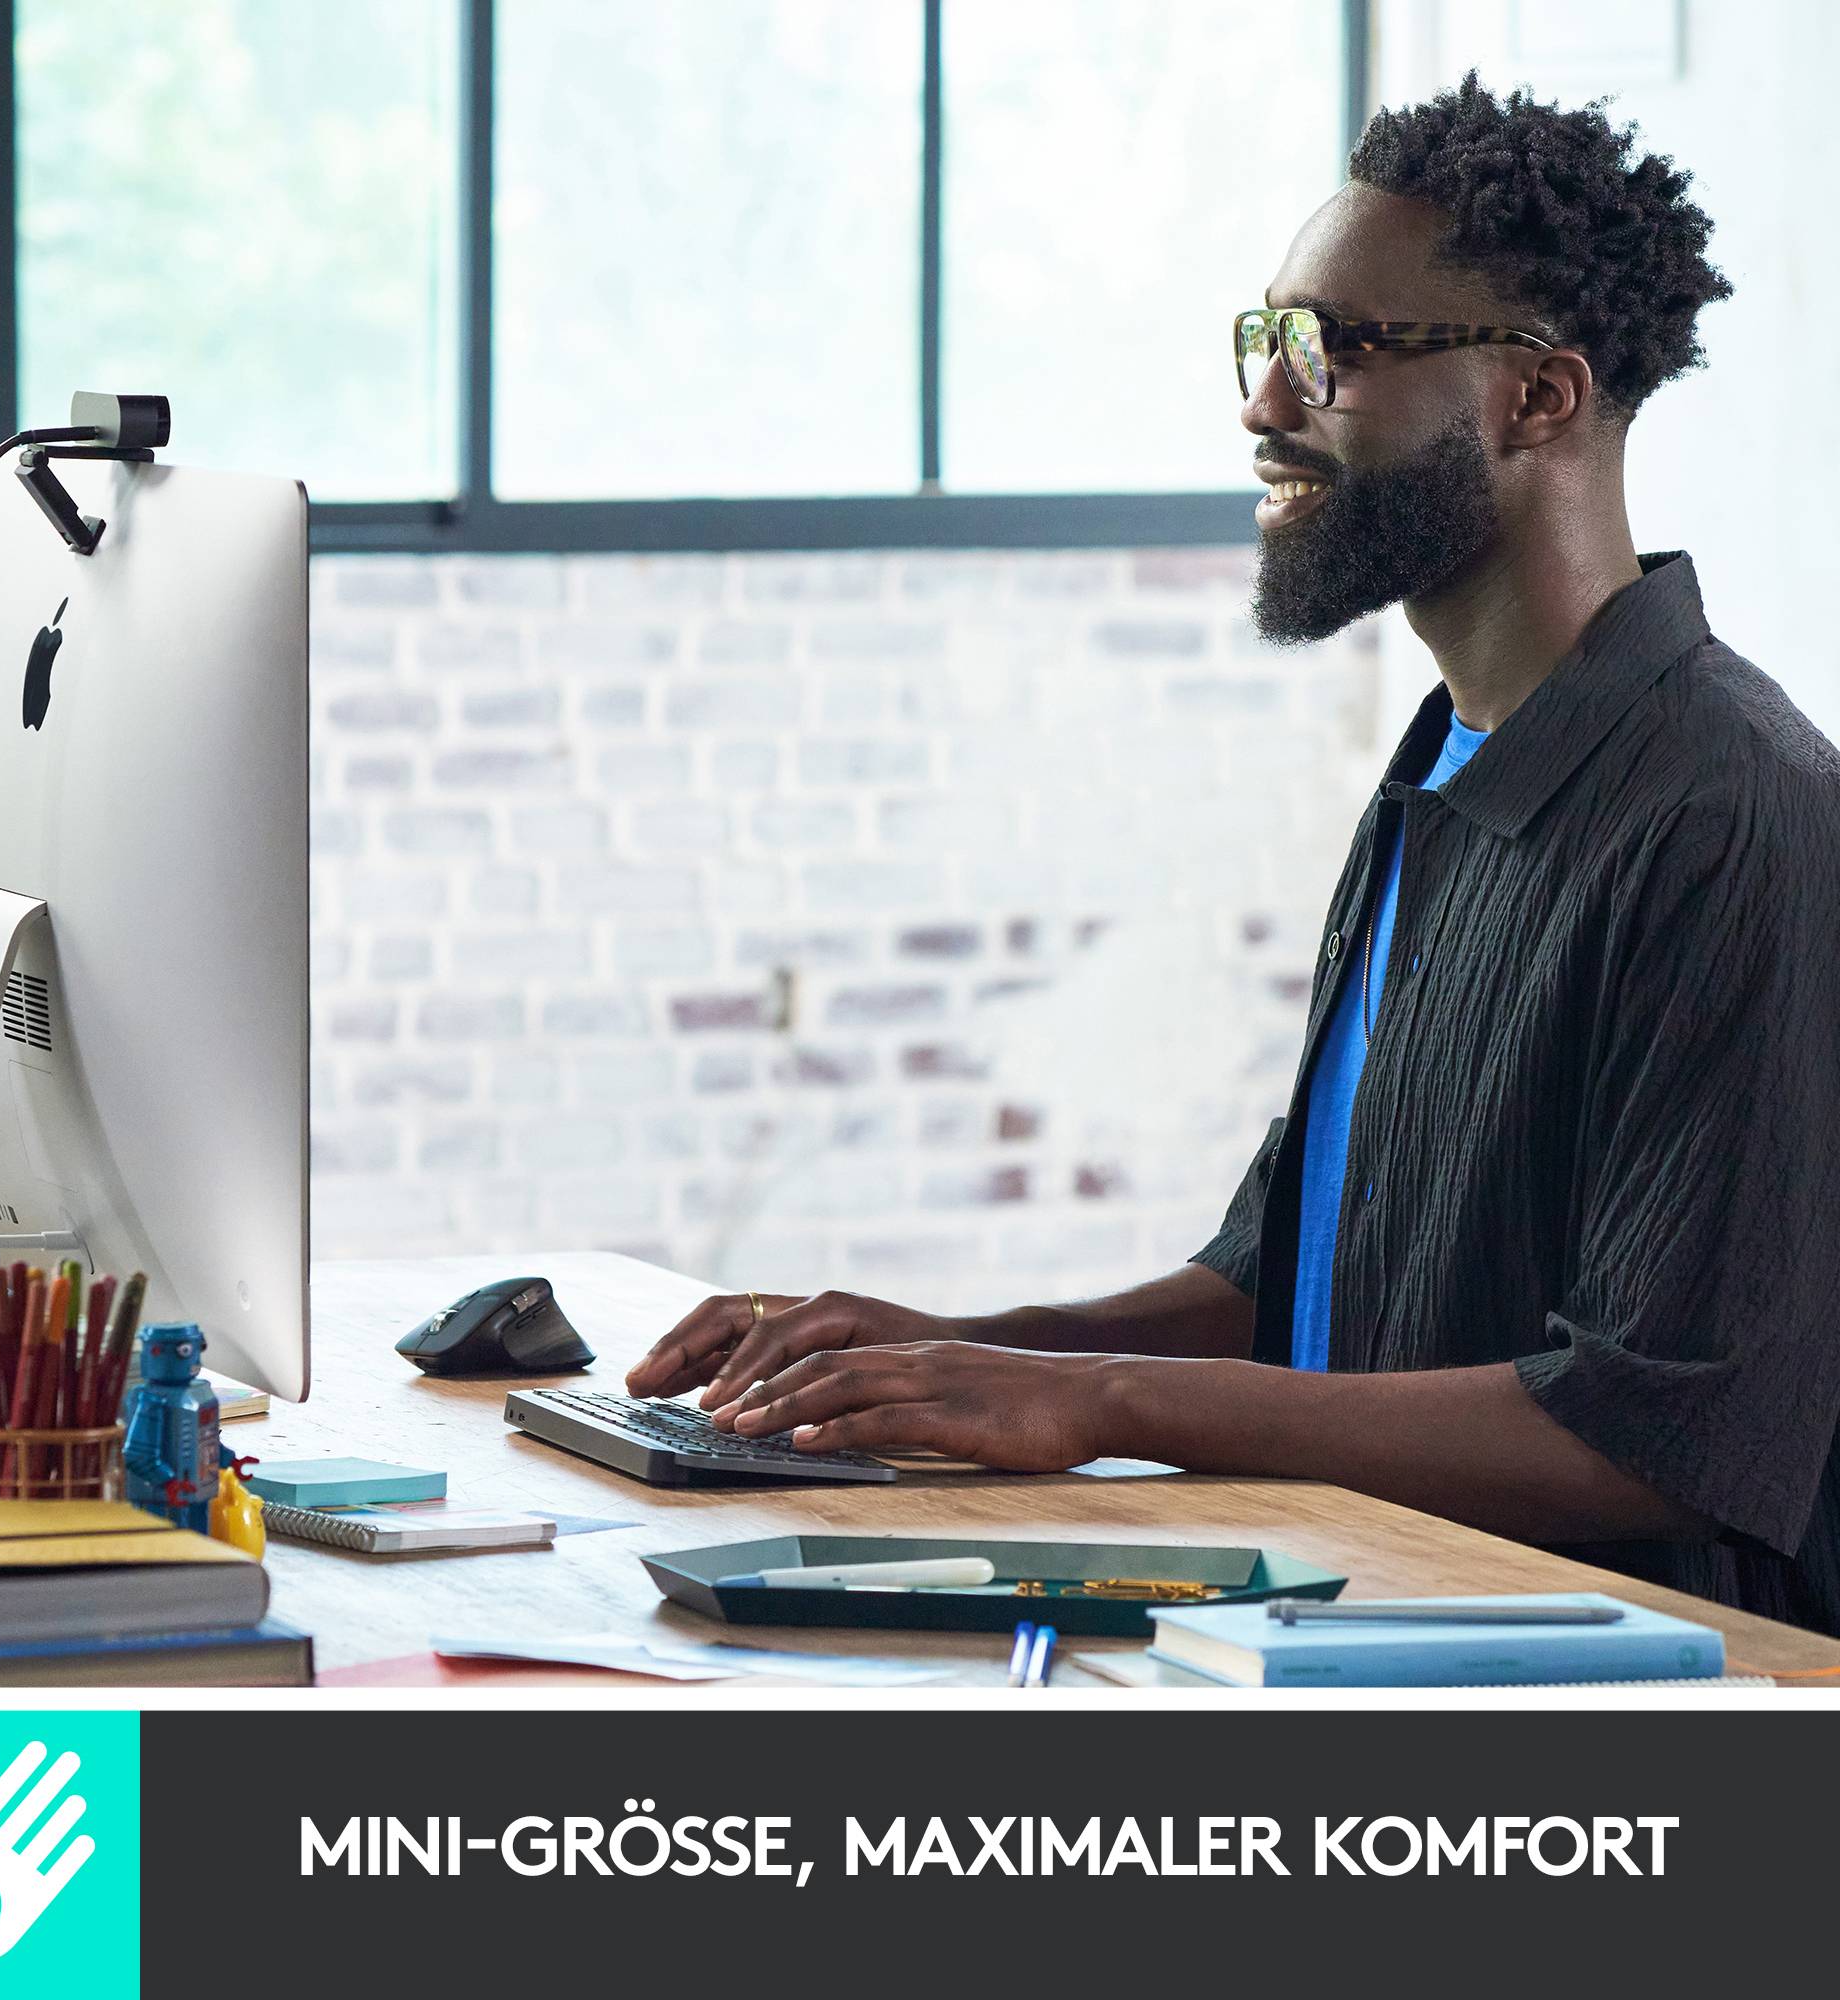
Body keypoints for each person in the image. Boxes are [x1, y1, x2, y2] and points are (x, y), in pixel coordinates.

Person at [627, 76, 1840, 1634]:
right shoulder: (1441, 772)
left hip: (1636, 1709)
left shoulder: (1740, 818)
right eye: (1267, 342)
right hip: (1367, 1626)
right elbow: (1291, 1283)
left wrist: (1098, 1401)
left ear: (1538, 400)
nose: (1269, 404)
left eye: (1338, 351)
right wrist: (946, 1354)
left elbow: (1665, 1432)